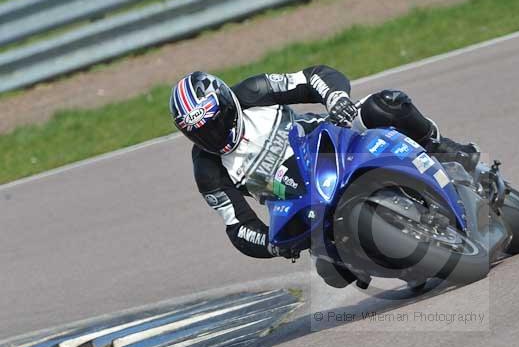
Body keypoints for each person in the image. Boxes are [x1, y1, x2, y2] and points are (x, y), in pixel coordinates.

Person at [169, 65, 479, 264]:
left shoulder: (254, 92)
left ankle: (443, 149)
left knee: (386, 103)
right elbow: (238, 226)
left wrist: (335, 98)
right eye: (199, 132)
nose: (212, 133)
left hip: (335, 143)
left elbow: (311, 77)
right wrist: (271, 245)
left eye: (215, 122)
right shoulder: (208, 170)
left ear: (226, 104)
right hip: (303, 206)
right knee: (330, 270)